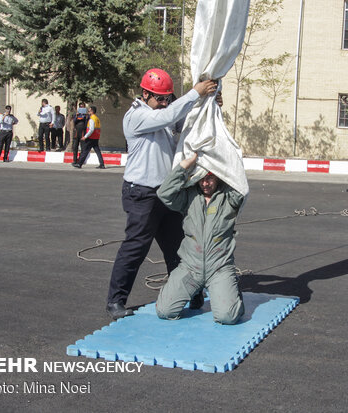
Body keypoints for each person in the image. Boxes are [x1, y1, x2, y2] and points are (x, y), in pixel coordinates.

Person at [105, 68, 217, 320]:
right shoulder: (137, 116)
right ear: (145, 93)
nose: (164, 102)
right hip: (141, 193)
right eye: (160, 97)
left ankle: (189, 291)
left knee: (177, 249)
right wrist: (193, 93)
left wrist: (208, 103)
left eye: (168, 98)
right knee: (135, 248)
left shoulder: (162, 113)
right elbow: (170, 116)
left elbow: (184, 120)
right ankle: (116, 300)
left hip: (167, 193)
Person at [155, 153, 245, 324]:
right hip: (190, 267)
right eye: (201, 178)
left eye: (209, 178)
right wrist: (184, 166)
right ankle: (195, 291)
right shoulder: (188, 196)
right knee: (164, 311)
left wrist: (224, 161)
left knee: (228, 316)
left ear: (218, 176)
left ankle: (233, 291)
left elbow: (240, 184)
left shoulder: (229, 197)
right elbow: (164, 193)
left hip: (219, 268)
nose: (205, 183)